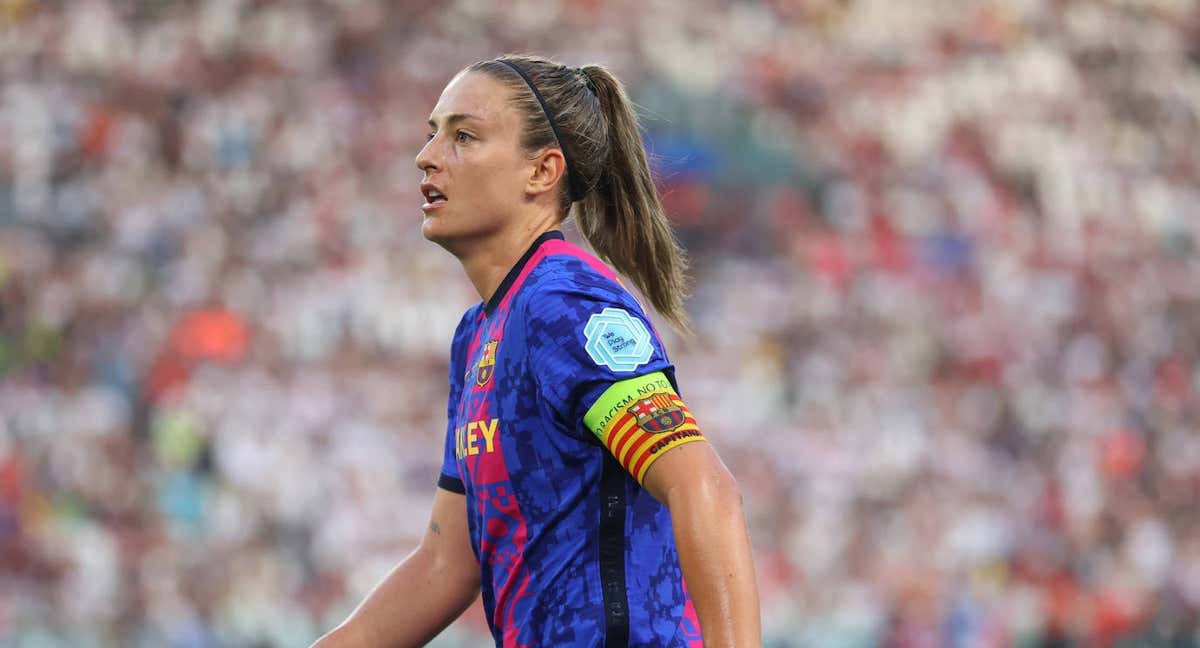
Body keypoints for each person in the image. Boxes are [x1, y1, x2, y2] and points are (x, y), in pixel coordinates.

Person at [312, 54, 761, 648]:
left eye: (464, 136)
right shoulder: (478, 334)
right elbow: (447, 562)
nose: (427, 156)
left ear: (542, 171)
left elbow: (703, 486)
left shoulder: (564, 303)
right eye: (433, 134)